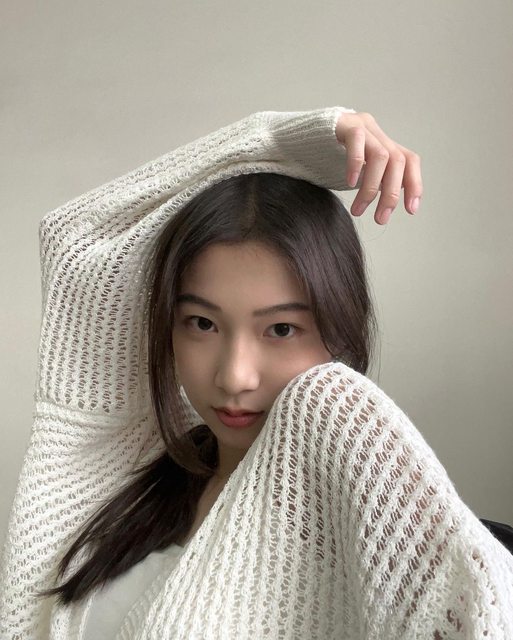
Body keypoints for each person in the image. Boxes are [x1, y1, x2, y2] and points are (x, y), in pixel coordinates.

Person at [0, 106, 512, 639]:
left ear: (342, 328)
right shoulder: (128, 467)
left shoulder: (354, 465)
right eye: (202, 323)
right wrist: (276, 140)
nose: (235, 377)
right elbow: (70, 236)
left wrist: (280, 143)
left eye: (282, 329)